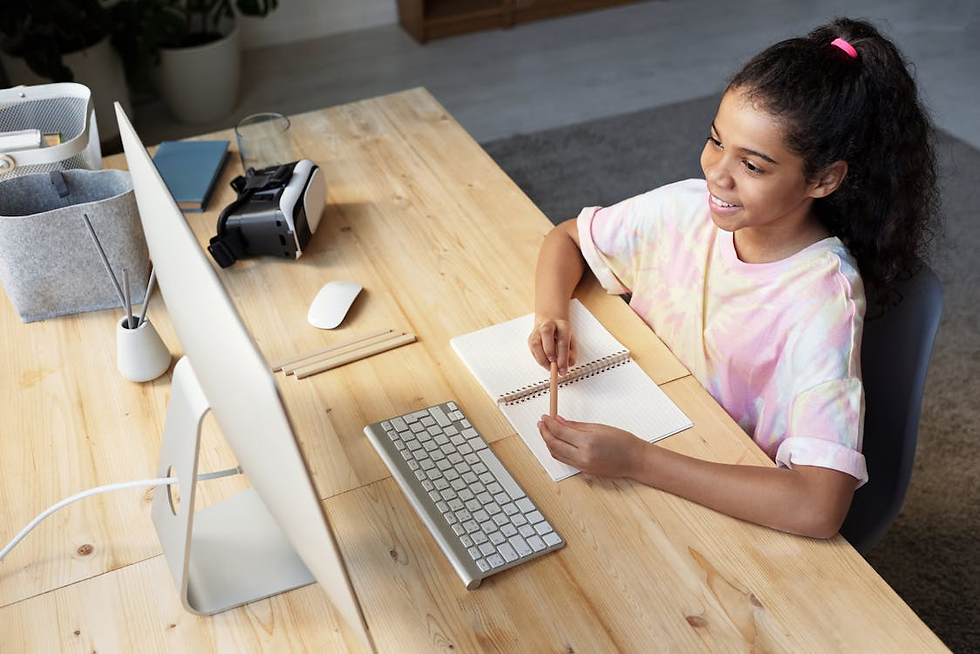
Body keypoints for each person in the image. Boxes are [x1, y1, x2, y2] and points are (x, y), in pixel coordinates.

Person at [527, 17, 940, 539]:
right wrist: (551, 313)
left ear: (823, 179)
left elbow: (818, 507)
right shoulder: (686, 210)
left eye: (754, 166)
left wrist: (637, 460)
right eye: (716, 141)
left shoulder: (822, 301)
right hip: (658, 426)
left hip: (723, 492)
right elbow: (565, 238)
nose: (716, 173)